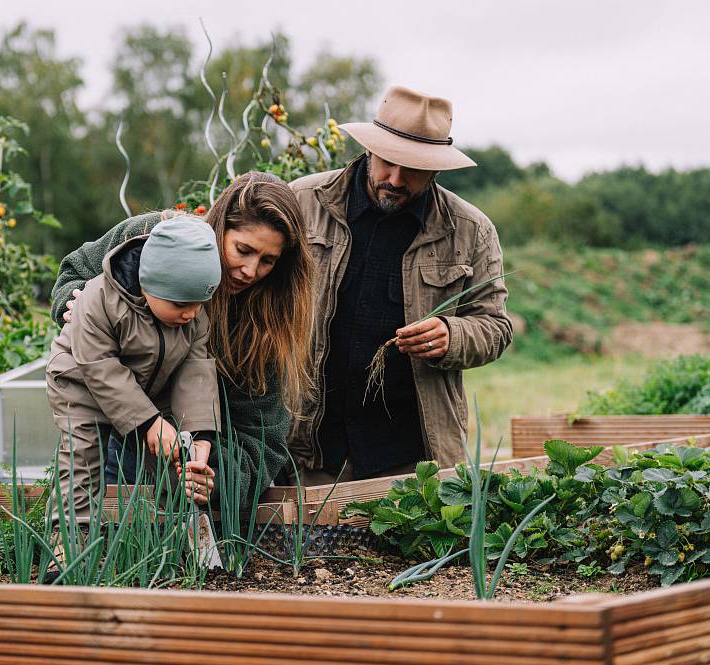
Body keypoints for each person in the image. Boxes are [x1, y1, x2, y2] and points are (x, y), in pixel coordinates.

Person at [287, 85, 513, 484]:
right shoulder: (303, 203)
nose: (395, 179)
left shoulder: (470, 231)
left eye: (414, 169)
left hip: (412, 458)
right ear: (370, 148)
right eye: (388, 162)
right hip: (307, 450)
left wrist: (453, 336)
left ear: (437, 168)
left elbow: (495, 327)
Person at [50, 172, 314, 506]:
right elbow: (75, 271)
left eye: (267, 261)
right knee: (86, 521)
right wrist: (74, 302)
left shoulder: (264, 327)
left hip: (183, 459)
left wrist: (212, 477)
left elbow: (263, 440)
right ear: (219, 229)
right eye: (243, 249)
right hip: (105, 431)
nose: (249, 270)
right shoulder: (150, 238)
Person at [45, 215, 222, 533]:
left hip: (148, 385)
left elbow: (196, 371)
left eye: (200, 303)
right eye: (181, 303)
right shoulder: (98, 299)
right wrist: (148, 422)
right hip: (82, 380)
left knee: (174, 453)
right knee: (82, 458)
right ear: (148, 283)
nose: (191, 313)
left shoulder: (191, 315)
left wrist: (200, 437)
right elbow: (99, 367)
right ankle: (69, 541)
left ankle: (174, 536)